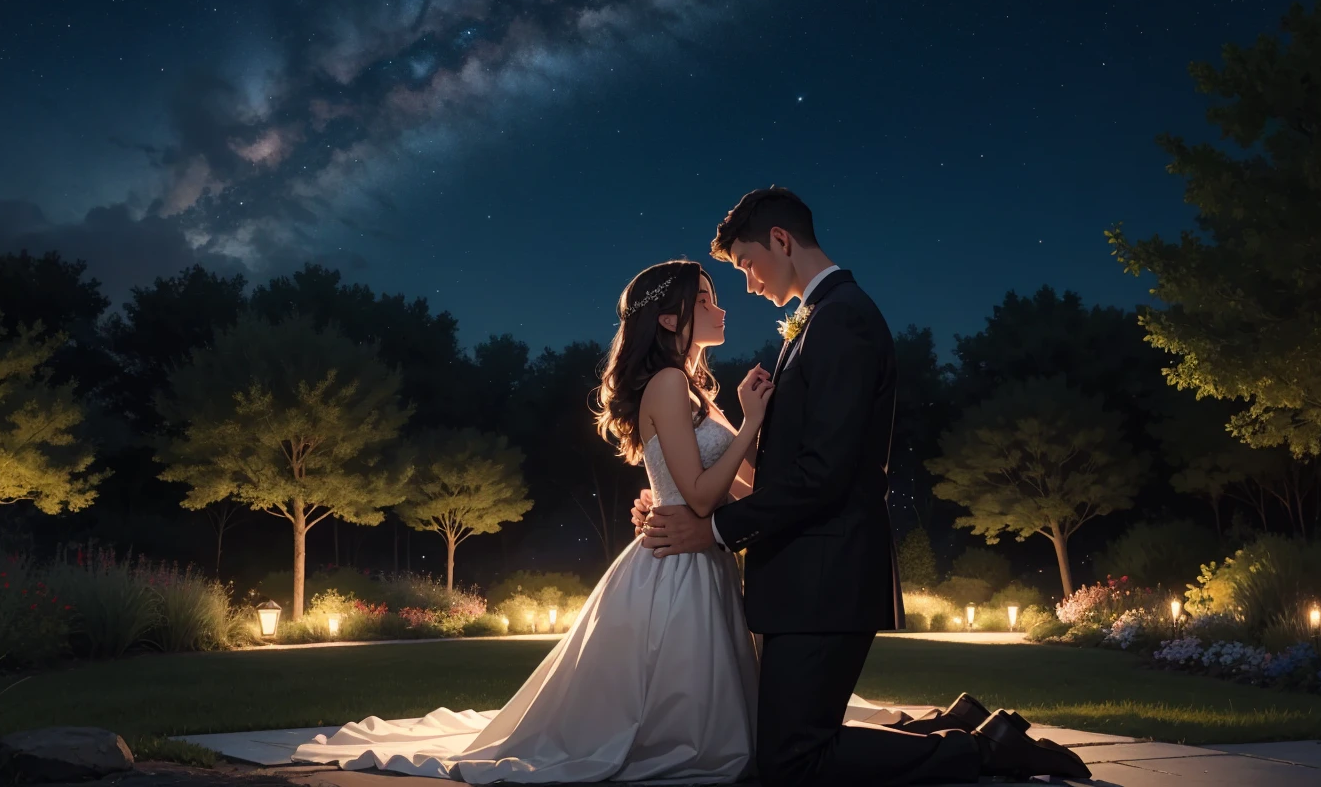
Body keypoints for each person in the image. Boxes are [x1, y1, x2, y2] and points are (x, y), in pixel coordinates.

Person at [291, 258, 921, 782]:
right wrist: (752, 422)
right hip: (676, 563)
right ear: (671, 317)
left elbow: (748, 483)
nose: (721, 306)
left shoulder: (694, 387)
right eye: (706, 298)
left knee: (727, 721)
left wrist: (742, 422)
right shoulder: (668, 385)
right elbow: (701, 497)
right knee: (679, 731)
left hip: (701, 558)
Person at [637, 187, 1091, 785]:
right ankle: (956, 726)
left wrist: (714, 528)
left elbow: (825, 476)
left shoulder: (843, 319)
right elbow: (787, 466)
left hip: (827, 575)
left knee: (792, 759)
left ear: (780, 240)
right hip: (803, 577)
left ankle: (986, 750)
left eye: (747, 265)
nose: (747, 284)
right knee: (787, 735)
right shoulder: (819, 320)